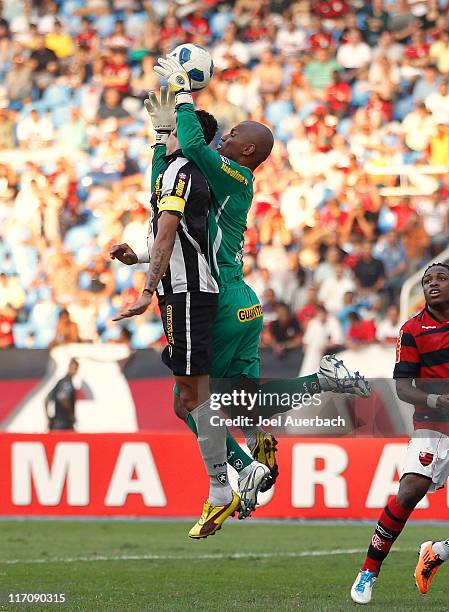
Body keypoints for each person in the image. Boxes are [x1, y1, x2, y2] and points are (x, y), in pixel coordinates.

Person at [112, 88, 272, 537]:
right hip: (240, 298)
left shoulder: (228, 174)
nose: (227, 135)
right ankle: (257, 445)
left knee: (189, 400)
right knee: (232, 394)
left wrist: (182, 96)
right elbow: (168, 207)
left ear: (246, 150)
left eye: (235, 133)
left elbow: (188, 155)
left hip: (216, 296)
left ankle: (238, 473)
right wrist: (162, 137)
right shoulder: (209, 180)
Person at [351, 263, 449, 604]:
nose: (432, 283)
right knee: (410, 491)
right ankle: (368, 572)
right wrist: (437, 398)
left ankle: (438, 552)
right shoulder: (412, 329)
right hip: (433, 423)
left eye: (440, 278)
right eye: (427, 280)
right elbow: (403, 389)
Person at [45, 358, 79, 431]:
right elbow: (63, 398)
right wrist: (71, 415)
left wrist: (48, 418)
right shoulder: (67, 382)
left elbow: (46, 400)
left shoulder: (61, 382)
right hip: (64, 424)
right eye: (74, 368)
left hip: (56, 424)